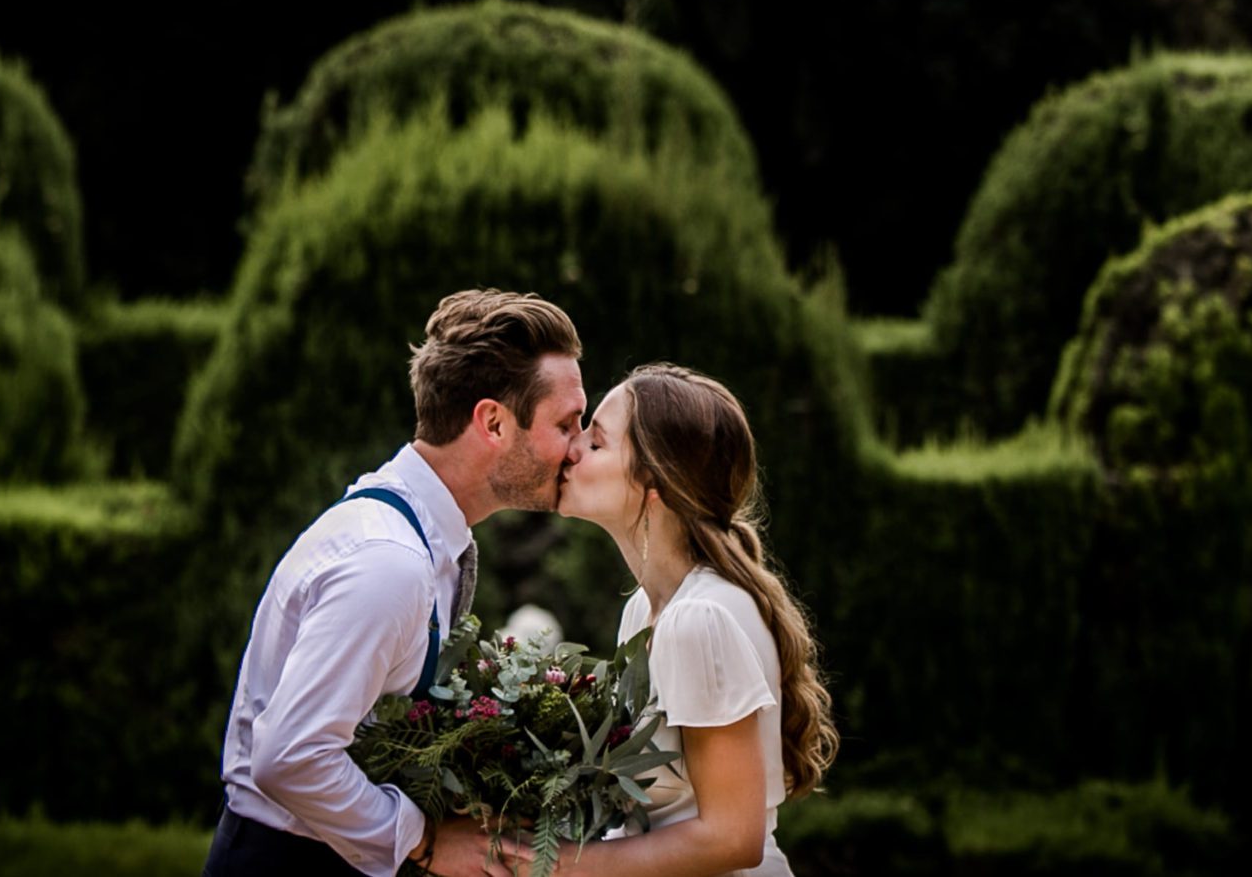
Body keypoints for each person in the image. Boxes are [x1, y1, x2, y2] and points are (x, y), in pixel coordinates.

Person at [205, 288, 591, 877]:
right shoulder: (388, 562)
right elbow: (288, 757)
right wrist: (425, 841)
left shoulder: (425, 539)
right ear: (492, 422)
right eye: (567, 423)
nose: (579, 447)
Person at [509, 362, 840, 876]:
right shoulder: (644, 611)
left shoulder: (698, 620)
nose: (571, 449)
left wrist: (555, 867)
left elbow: (733, 838)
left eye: (597, 444)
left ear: (653, 483)